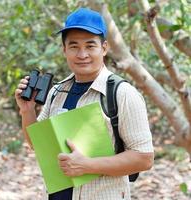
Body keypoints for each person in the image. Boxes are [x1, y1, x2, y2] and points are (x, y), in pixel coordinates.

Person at [14, 7, 154, 200]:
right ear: (64, 50)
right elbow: (39, 144)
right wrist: (27, 111)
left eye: (90, 46)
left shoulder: (122, 94)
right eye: (74, 46)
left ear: (104, 48)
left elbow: (144, 158)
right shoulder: (57, 92)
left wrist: (87, 166)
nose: (82, 54)